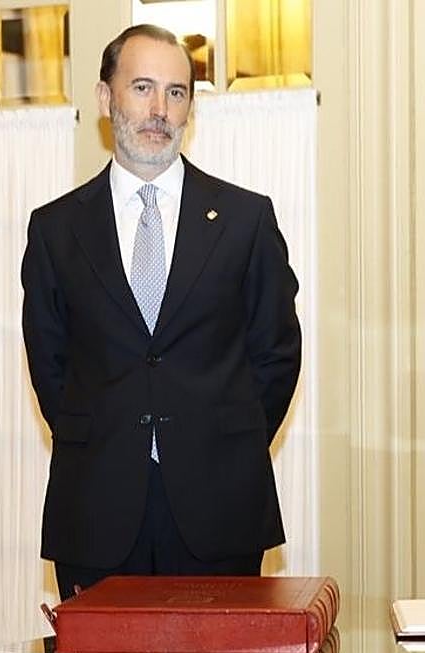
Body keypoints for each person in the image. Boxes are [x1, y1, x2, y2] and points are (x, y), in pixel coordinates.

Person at [22, 24, 302, 603]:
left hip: (221, 511)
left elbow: (276, 356)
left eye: (175, 93)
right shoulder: (55, 230)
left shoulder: (246, 221)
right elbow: (51, 367)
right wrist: (105, 441)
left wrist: (223, 444)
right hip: (96, 512)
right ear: (106, 99)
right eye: (142, 87)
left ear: (189, 108)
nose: (159, 110)